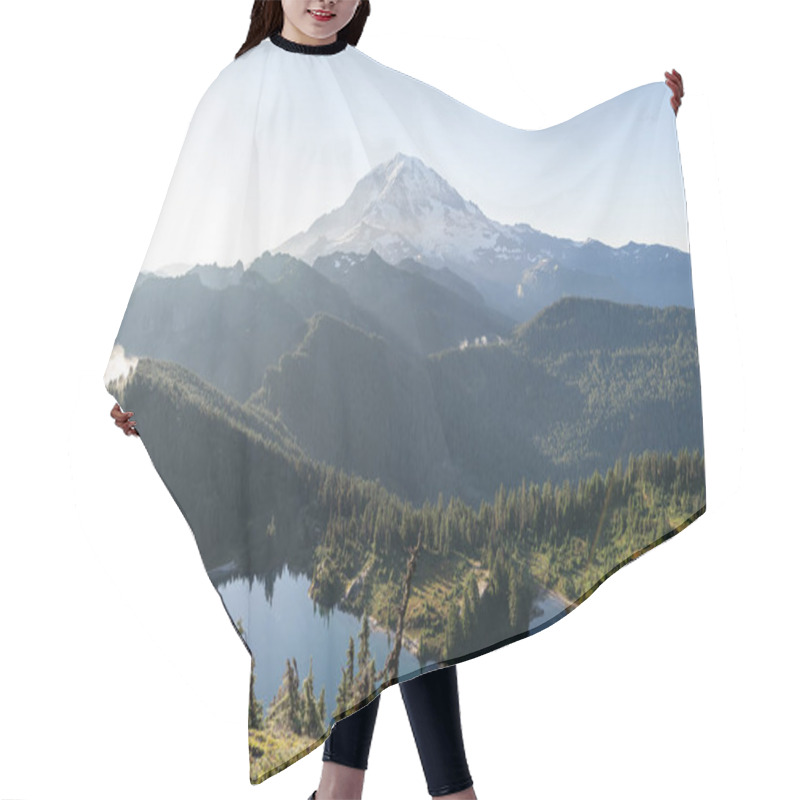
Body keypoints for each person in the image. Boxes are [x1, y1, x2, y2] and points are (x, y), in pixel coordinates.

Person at [109, 2, 685, 798]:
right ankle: (430, 792)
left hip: (377, 379)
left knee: (400, 597)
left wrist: (639, 124)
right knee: (392, 603)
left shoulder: (374, 86)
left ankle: (352, 790)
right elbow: (194, 238)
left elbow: (505, 153)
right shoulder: (236, 93)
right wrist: (145, 372)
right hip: (290, 393)